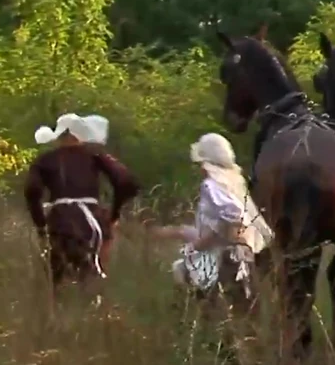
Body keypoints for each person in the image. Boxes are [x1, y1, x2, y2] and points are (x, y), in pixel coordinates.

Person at [151, 133, 274, 308]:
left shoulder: (211, 185)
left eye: (201, 162)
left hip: (222, 259)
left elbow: (233, 218)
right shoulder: (233, 183)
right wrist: (177, 232)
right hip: (241, 257)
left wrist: (198, 244)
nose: (199, 167)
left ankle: (184, 319)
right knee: (241, 313)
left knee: (181, 271)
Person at [24, 113, 139, 289]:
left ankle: (56, 308)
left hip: (59, 220)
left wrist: (41, 224)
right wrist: (113, 215)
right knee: (97, 271)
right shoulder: (95, 156)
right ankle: (100, 299)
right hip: (92, 218)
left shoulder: (44, 160)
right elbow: (126, 182)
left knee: (55, 281)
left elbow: (32, 190)